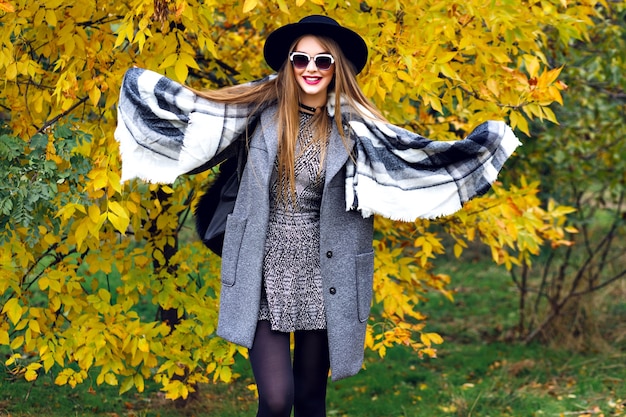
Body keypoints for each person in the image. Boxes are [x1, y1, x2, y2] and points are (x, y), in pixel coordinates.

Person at [115, 14, 520, 417]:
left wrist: (479, 148)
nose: (311, 68)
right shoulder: (256, 110)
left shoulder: (361, 130)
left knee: (310, 401)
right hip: (262, 265)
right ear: (289, 64)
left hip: (327, 271)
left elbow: (416, 158)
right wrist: (141, 88)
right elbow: (198, 115)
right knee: (276, 400)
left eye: (323, 60)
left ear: (336, 67)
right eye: (301, 59)